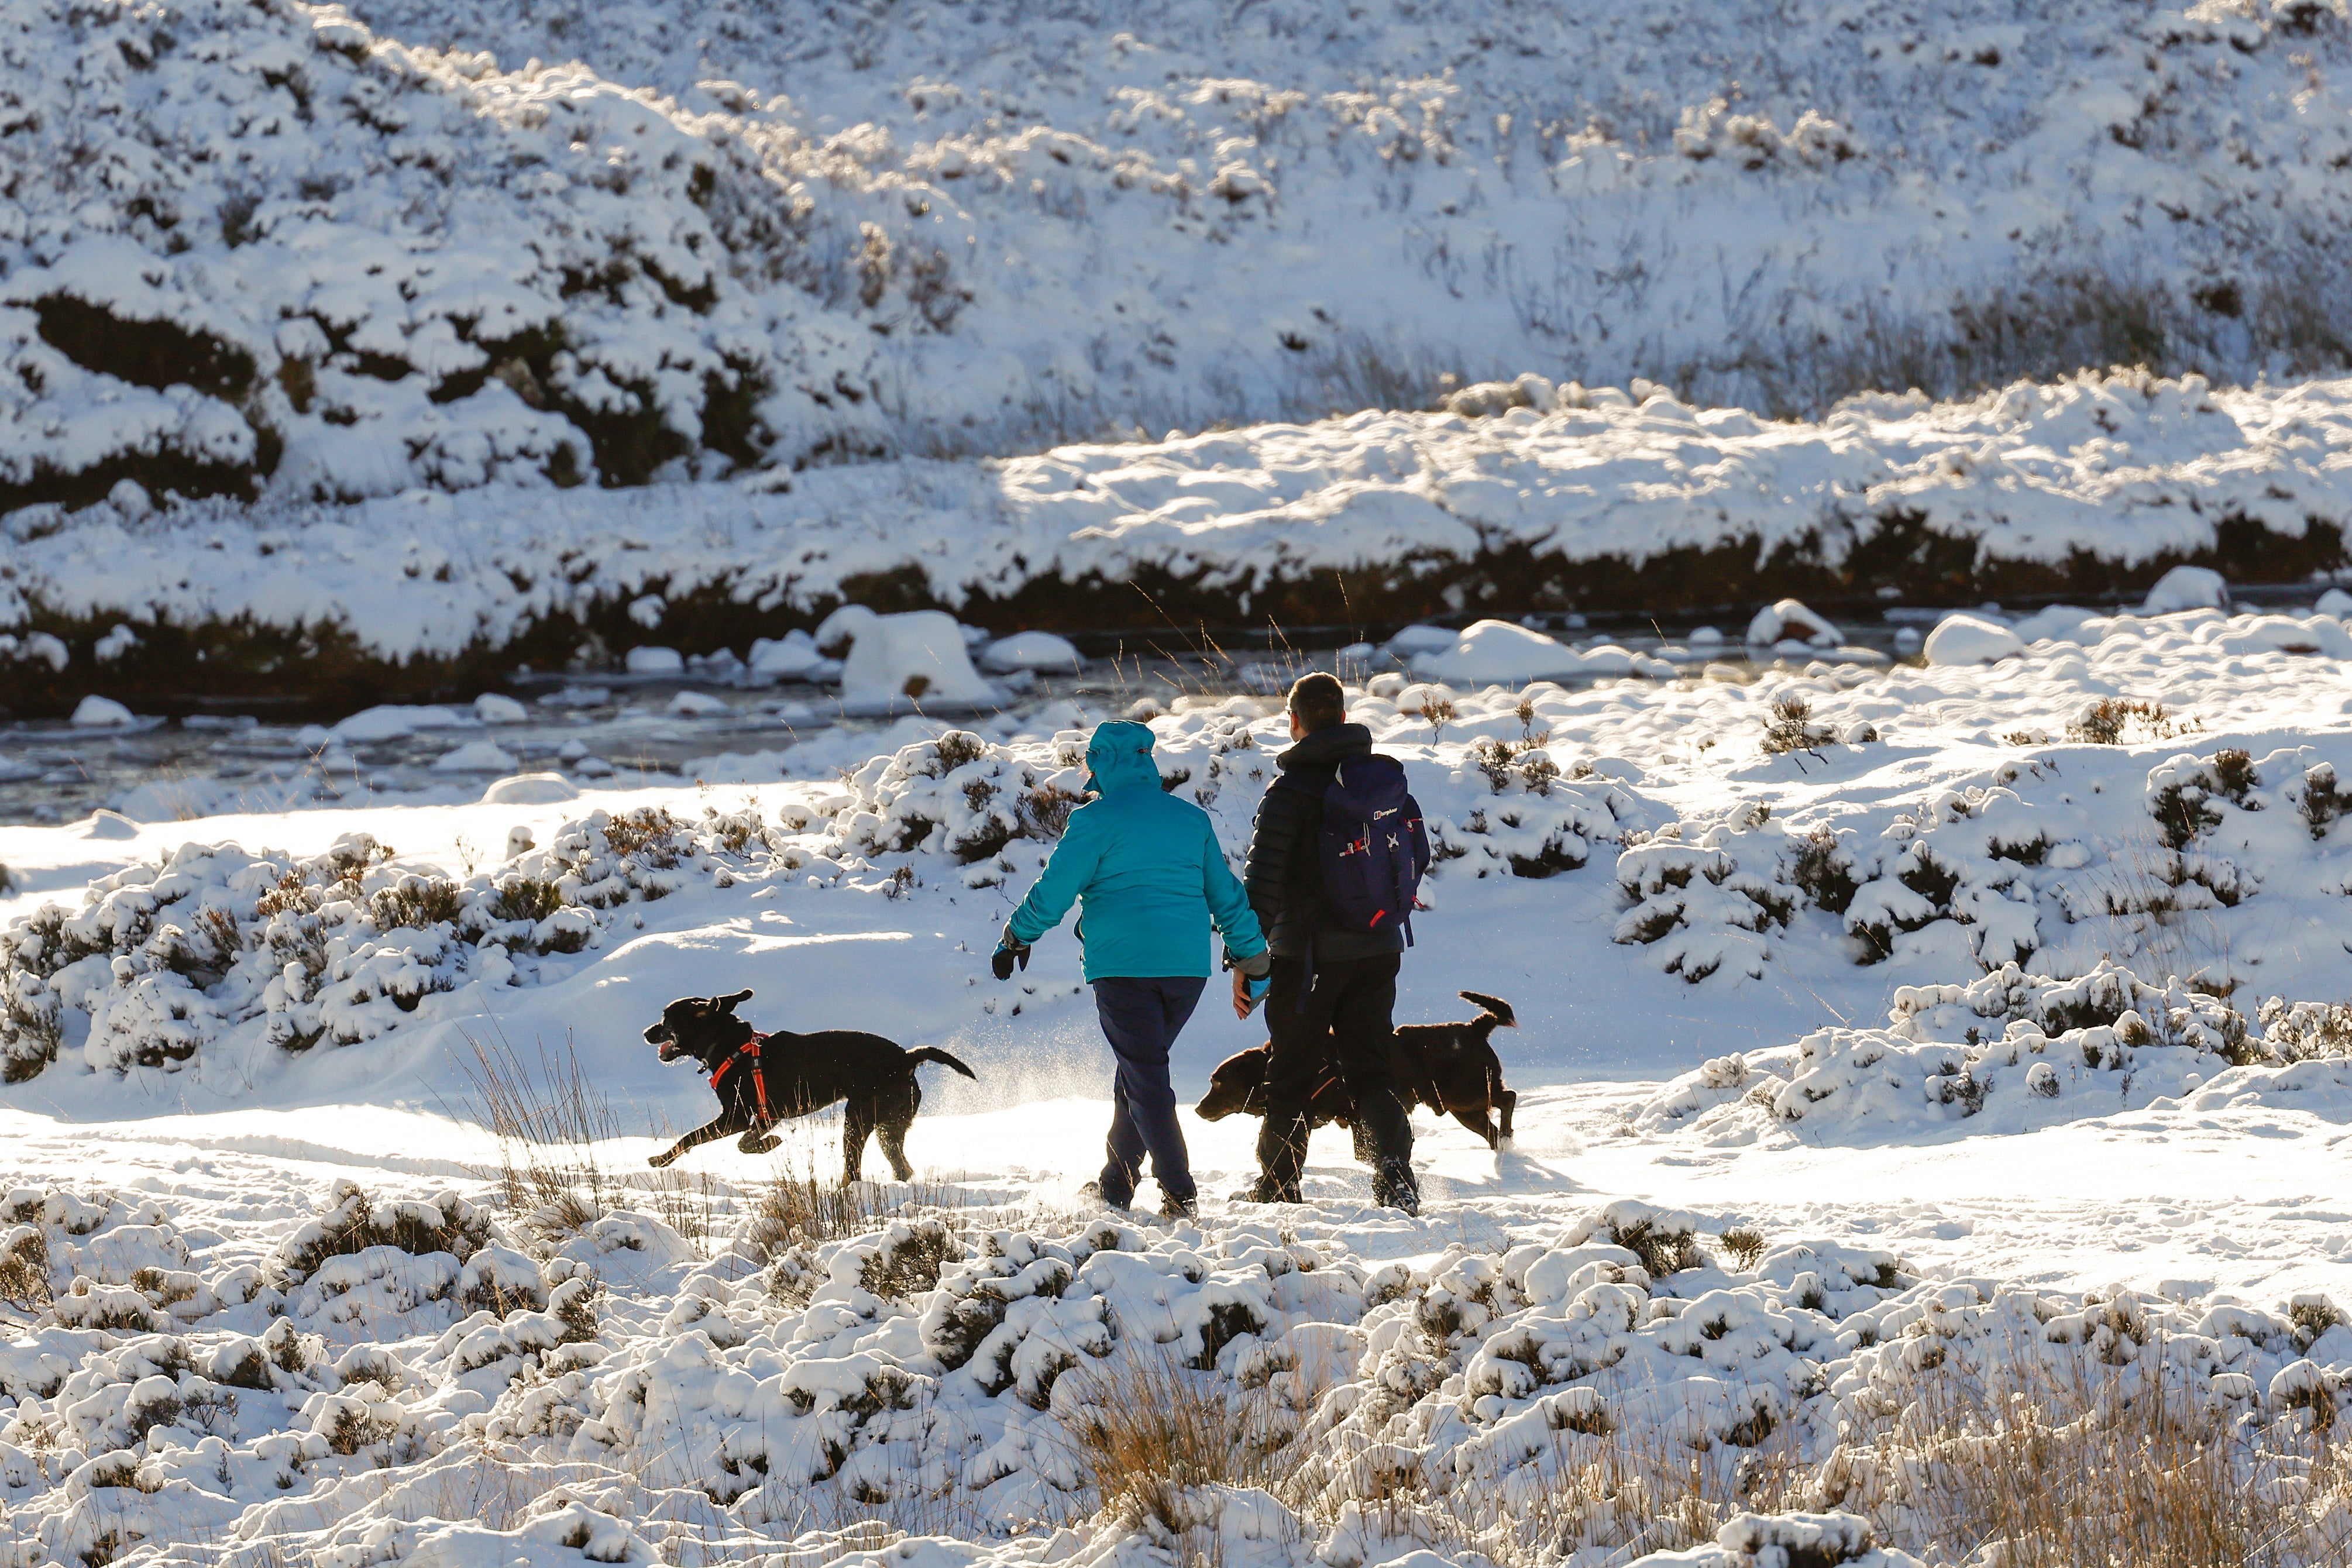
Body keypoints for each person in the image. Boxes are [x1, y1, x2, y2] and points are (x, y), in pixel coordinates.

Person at [992, 719, 1269, 1219]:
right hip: (1186, 973)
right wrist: (1253, 959)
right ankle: (1115, 1185)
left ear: (1101, 763)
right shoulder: (1189, 820)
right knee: (1138, 1073)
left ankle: (1180, 1193)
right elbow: (1227, 897)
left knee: (1146, 1078)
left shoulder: (1095, 822)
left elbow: (1054, 893)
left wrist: (1016, 937)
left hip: (1123, 970)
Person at [1240, 672, 1429, 1213]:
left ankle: (1279, 1183)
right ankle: (1394, 1178)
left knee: (1292, 1070)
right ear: (1344, 719)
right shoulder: (1378, 781)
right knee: (1372, 1064)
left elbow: (1263, 884)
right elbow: (1417, 855)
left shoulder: (1289, 792)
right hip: (1378, 947)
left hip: (1307, 957)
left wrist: (1246, 961)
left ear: (1294, 723)